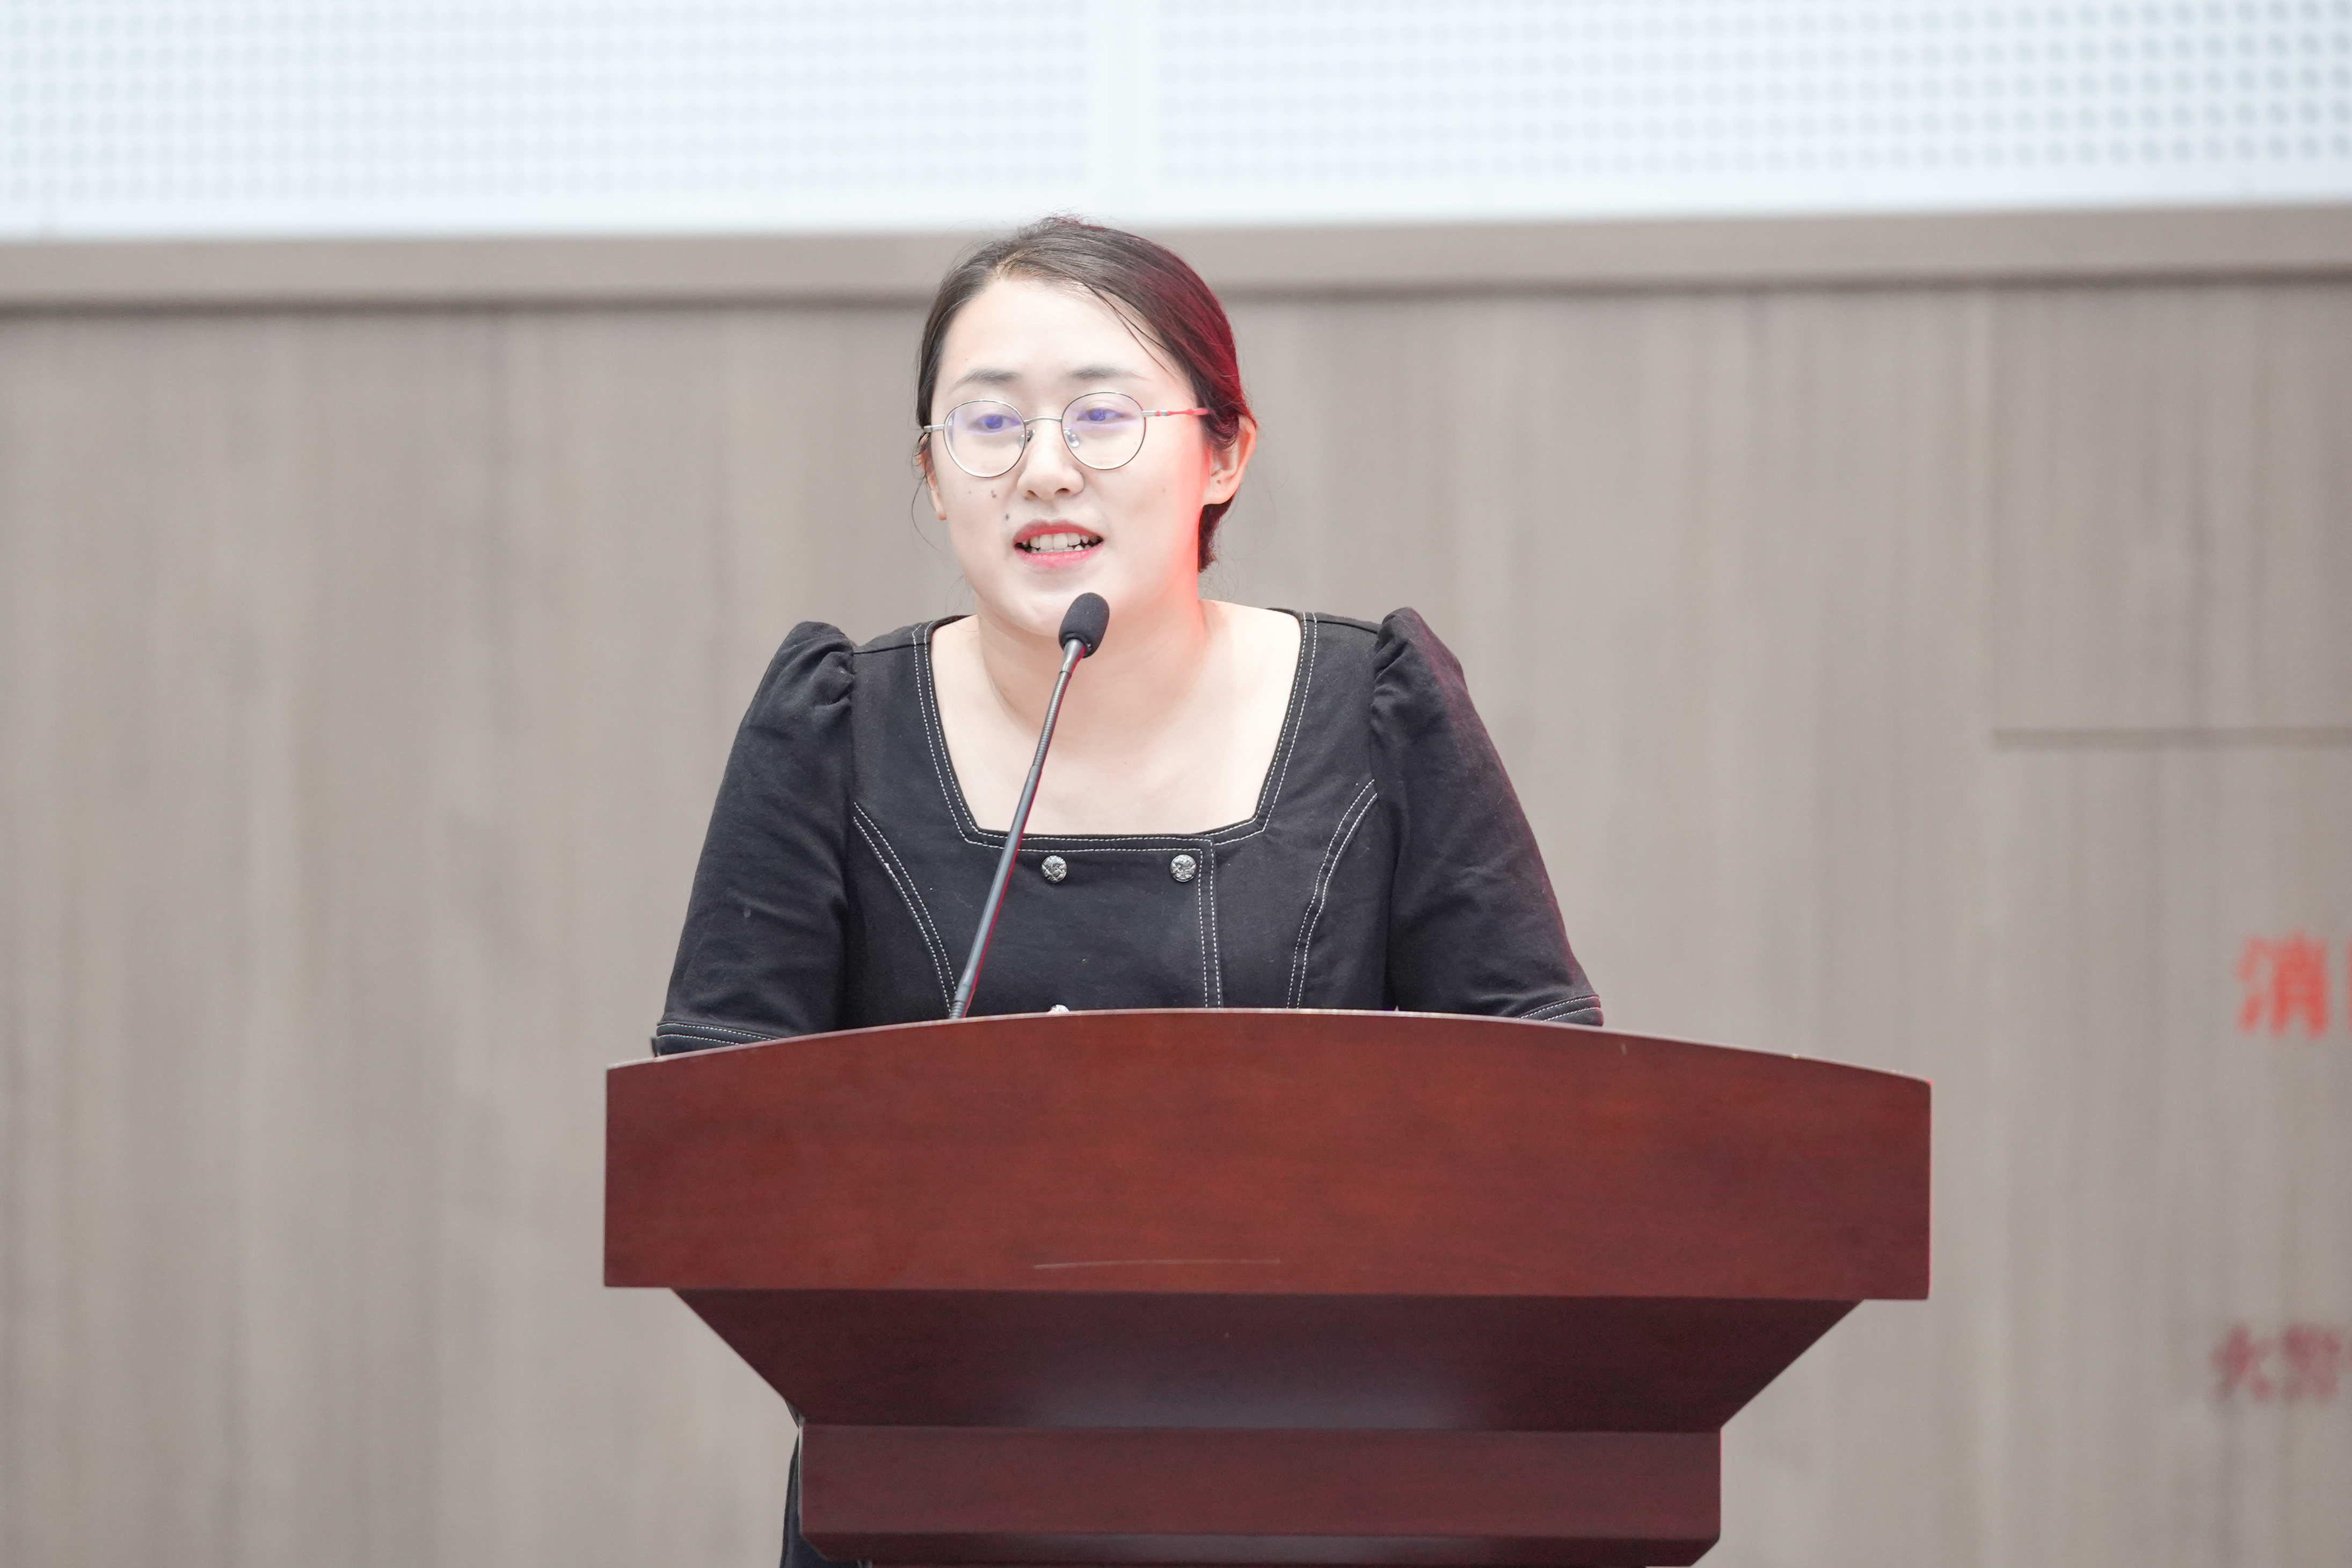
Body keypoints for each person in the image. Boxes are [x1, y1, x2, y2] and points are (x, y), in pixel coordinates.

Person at [649, 216, 1600, 1566]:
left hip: (1324, 1496)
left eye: (1102, 414)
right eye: (987, 423)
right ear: (932, 475)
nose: (1044, 467)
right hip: (927, 1511)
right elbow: (715, 1137)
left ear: (1224, 452)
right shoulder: (834, 733)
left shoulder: (1376, 715)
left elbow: (1547, 1108)